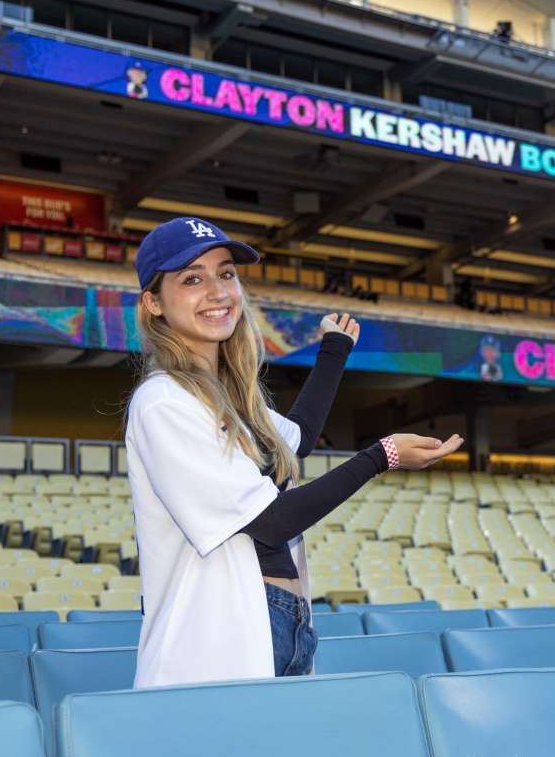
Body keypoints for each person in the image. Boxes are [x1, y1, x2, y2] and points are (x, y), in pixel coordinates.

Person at [125, 217, 462, 688]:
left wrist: (333, 353)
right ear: (154, 303)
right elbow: (270, 521)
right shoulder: (164, 401)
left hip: (287, 619)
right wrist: (381, 456)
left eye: (226, 273)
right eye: (192, 279)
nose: (218, 291)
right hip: (218, 635)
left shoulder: (231, 397)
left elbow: (298, 436)